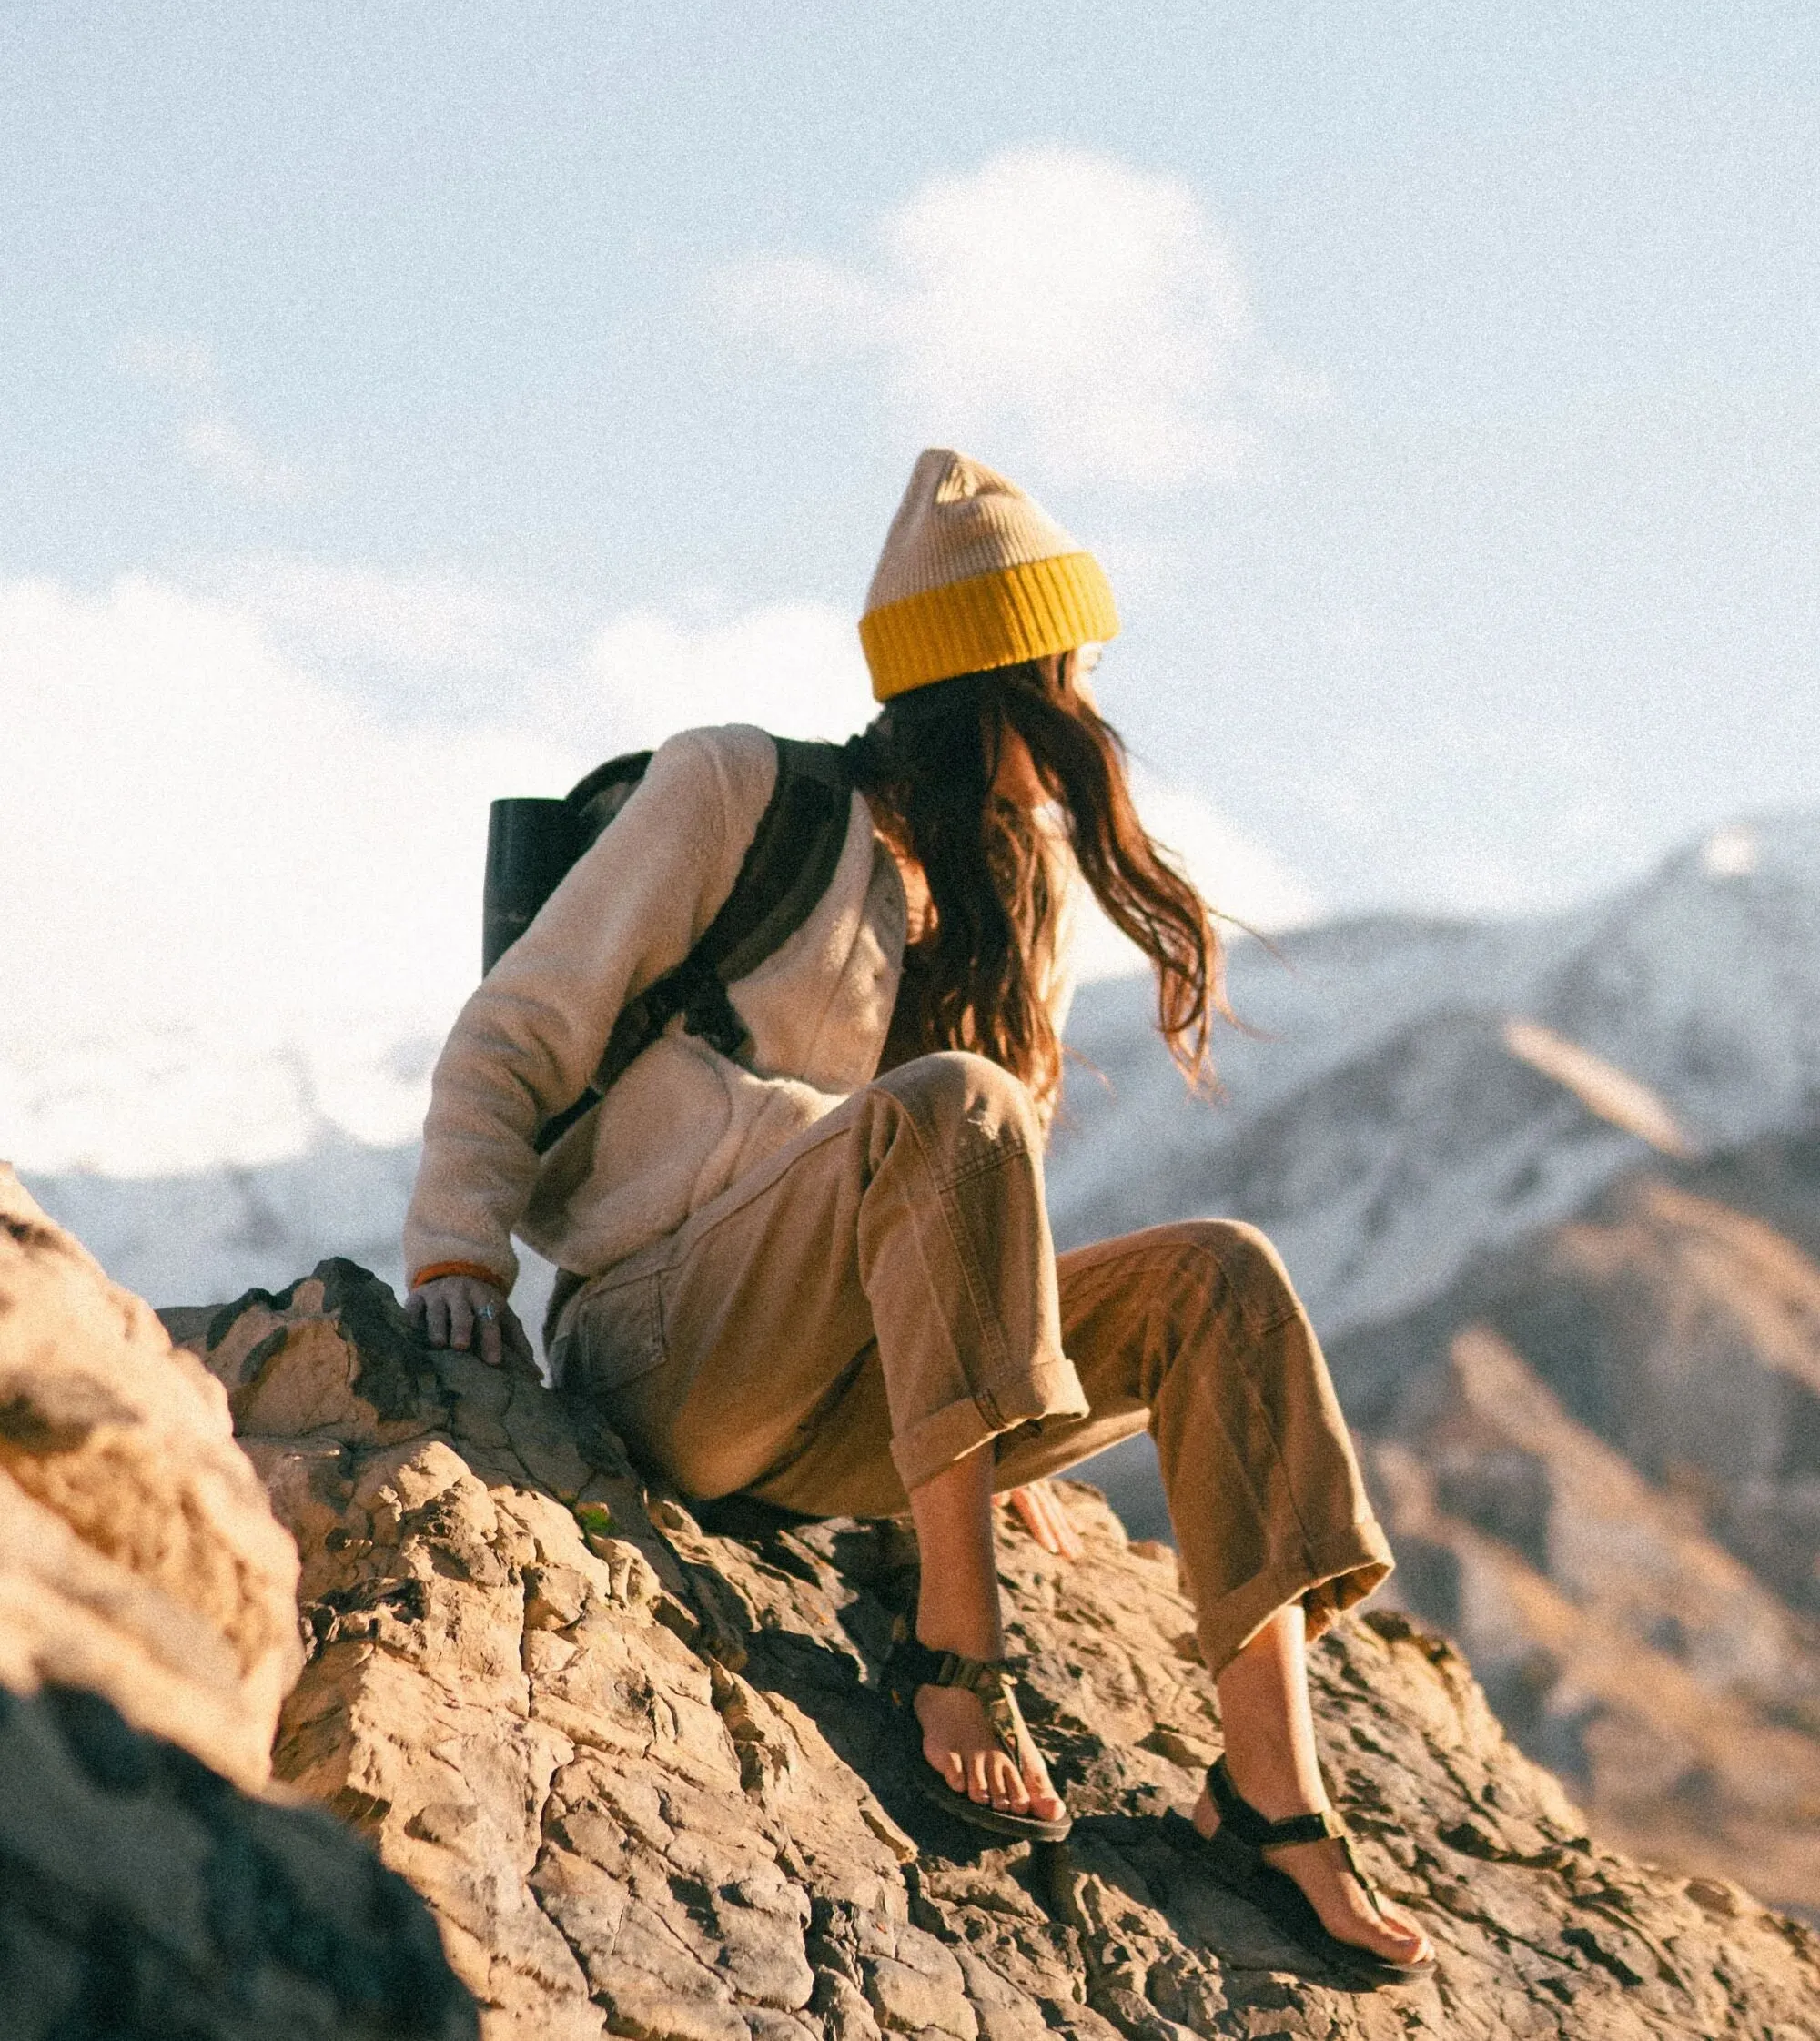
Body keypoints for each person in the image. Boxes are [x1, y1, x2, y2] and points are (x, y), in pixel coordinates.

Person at [403, 450, 1433, 1981]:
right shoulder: (735, 790)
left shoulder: (1003, 893)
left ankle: (1276, 1802)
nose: (1094, 706)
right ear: (992, 683)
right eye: (1069, 672)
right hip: (668, 1349)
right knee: (957, 1097)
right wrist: (455, 1258)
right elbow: (517, 1032)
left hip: (850, 1404)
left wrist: (988, 1391)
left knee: (1222, 1273)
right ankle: (960, 1650)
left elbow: (969, 1187)